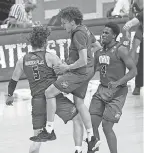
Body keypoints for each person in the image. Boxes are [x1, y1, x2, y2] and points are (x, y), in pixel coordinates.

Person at [5, 26, 84, 153]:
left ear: (32, 42)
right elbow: (64, 75)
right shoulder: (50, 57)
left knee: (37, 139)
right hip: (54, 98)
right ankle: (78, 149)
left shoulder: (22, 60)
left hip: (37, 102)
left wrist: (10, 95)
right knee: (77, 118)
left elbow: (13, 80)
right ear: (45, 42)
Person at [44, 6, 101, 153]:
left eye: (64, 23)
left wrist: (66, 68)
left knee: (49, 92)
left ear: (72, 21)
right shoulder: (85, 29)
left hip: (80, 72)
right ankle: (91, 138)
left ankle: (49, 129)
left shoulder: (78, 34)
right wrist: (84, 58)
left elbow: (82, 61)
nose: (63, 26)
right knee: (79, 103)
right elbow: (97, 46)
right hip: (87, 71)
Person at [89, 22, 137, 153]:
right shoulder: (98, 51)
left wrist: (118, 82)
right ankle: (93, 150)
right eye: (102, 32)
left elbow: (133, 71)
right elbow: (92, 71)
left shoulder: (121, 49)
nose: (103, 35)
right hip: (101, 90)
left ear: (114, 35)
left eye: (106, 33)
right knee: (91, 124)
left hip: (118, 92)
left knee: (106, 126)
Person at [123, 0, 143, 95]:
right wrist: (127, 31)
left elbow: (137, 19)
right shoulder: (134, 5)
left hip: (140, 27)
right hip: (140, 30)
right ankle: (137, 85)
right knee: (138, 59)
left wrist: (129, 24)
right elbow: (130, 19)